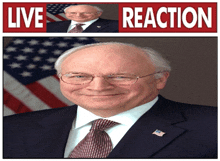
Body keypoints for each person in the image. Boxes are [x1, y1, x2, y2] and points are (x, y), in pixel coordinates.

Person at [3, 42, 217, 158]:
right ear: (61, 78)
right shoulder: (10, 129)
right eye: (78, 76)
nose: (98, 87)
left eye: (120, 76)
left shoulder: (212, 127)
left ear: (160, 79)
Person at [47, 5, 118, 33]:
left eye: (86, 12)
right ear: (66, 14)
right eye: (73, 13)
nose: (78, 16)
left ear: (99, 13)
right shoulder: (50, 26)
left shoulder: (117, 26)